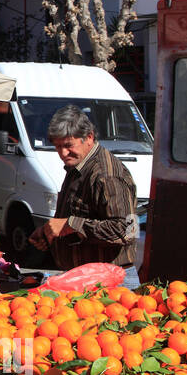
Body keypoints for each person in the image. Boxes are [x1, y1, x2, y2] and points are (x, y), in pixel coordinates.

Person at [30, 104, 140, 287]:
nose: (63, 153)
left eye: (68, 145)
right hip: (84, 281)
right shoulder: (78, 167)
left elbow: (127, 231)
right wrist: (50, 232)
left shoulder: (107, 175)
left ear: (89, 137)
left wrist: (69, 225)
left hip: (110, 284)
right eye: (57, 147)